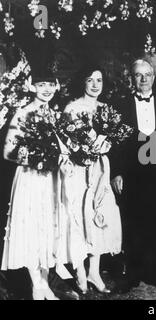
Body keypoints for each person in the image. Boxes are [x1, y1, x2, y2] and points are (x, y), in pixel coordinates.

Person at [110, 59, 156, 292]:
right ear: (132, 78)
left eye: (147, 74)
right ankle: (133, 274)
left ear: (154, 77)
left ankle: (153, 272)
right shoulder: (120, 105)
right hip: (132, 172)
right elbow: (115, 142)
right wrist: (117, 172)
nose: (144, 79)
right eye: (138, 75)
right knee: (133, 222)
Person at [59, 64, 122, 294]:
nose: (95, 85)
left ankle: (94, 271)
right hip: (79, 168)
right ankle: (80, 273)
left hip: (100, 170)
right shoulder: (73, 107)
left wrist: (105, 145)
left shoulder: (106, 109)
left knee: (100, 214)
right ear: (82, 82)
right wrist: (83, 151)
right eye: (90, 80)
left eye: (99, 80)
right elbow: (65, 143)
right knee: (79, 215)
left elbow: (112, 141)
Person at [1, 69, 60, 300]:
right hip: (30, 178)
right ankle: (36, 284)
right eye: (41, 84)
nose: (46, 89)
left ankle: (46, 284)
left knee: (48, 227)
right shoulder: (22, 113)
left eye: (50, 84)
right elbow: (8, 152)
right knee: (33, 228)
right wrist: (36, 157)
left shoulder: (54, 114)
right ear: (32, 86)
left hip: (50, 180)